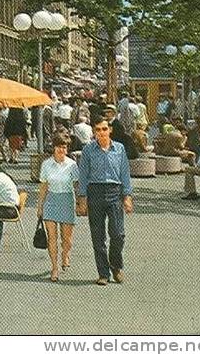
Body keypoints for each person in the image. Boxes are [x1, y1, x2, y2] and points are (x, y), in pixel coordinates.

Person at [77, 118, 133, 286]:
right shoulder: (88, 150)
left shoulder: (119, 149)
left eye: (104, 129)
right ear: (94, 132)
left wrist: (127, 196)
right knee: (98, 236)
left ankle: (116, 266)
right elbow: (83, 175)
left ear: (110, 131)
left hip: (114, 192)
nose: (101, 132)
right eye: (98, 130)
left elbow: (125, 173)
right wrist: (82, 199)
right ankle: (103, 273)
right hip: (95, 192)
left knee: (118, 234)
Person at [37, 134, 80, 282]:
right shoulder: (46, 164)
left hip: (67, 199)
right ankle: (54, 267)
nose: (61, 149)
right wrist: (40, 206)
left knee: (67, 239)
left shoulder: (72, 165)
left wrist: (81, 203)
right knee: (52, 237)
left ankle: (65, 254)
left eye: (64, 147)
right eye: (59, 146)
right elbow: (43, 186)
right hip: (51, 200)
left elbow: (77, 184)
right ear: (53, 148)